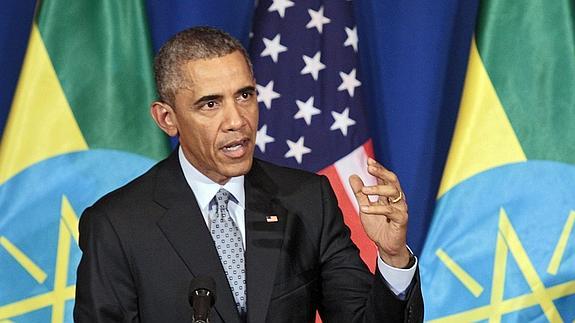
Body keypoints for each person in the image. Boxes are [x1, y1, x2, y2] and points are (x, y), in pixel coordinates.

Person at [74, 26, 423, 322]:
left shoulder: (306, 201)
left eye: (245, 95)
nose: (237, 120)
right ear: (167, 118)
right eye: (210, 104)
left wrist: (393, 257)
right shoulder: (116, 225)